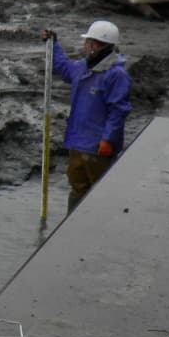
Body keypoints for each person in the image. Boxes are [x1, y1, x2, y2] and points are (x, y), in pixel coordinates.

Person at [41, 20, 132, 212]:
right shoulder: (83, 67)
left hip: (98, 149)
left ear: (97, 45)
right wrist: (54, 44)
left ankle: (97, 230)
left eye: (88, 42)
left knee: (99, 194)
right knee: (77, 190)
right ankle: (71, 228)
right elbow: (65, 68)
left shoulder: (116, 75)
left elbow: (118, 111)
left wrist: (108, 140)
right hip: (77, 142)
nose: (85, 45)